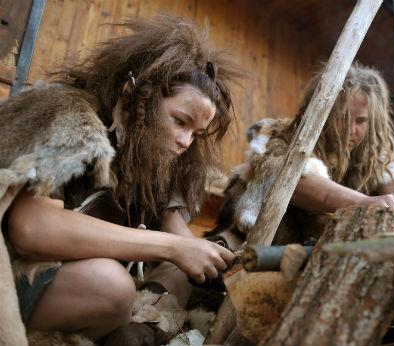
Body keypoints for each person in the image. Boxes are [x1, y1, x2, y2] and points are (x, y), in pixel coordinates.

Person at [0, 16, 237, 341]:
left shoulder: (145, 158)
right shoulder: (72, 117)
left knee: (176, 276)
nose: (186, 142)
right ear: (135, 95)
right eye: (180, 121)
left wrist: (204, 255)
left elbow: (174, 229)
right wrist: (172, 247)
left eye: (195, 133)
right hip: (16, 274)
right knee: (111, 286)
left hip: (63, 289)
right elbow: (31, 227)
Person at [213, 63, 394, 244]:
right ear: (323, 112)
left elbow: (388, 178)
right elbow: (292, 180)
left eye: (361, 121)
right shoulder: (281, 133)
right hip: (262, 242)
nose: (350, 131)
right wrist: (365, 202)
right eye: (342, 118)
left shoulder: (375, 149)